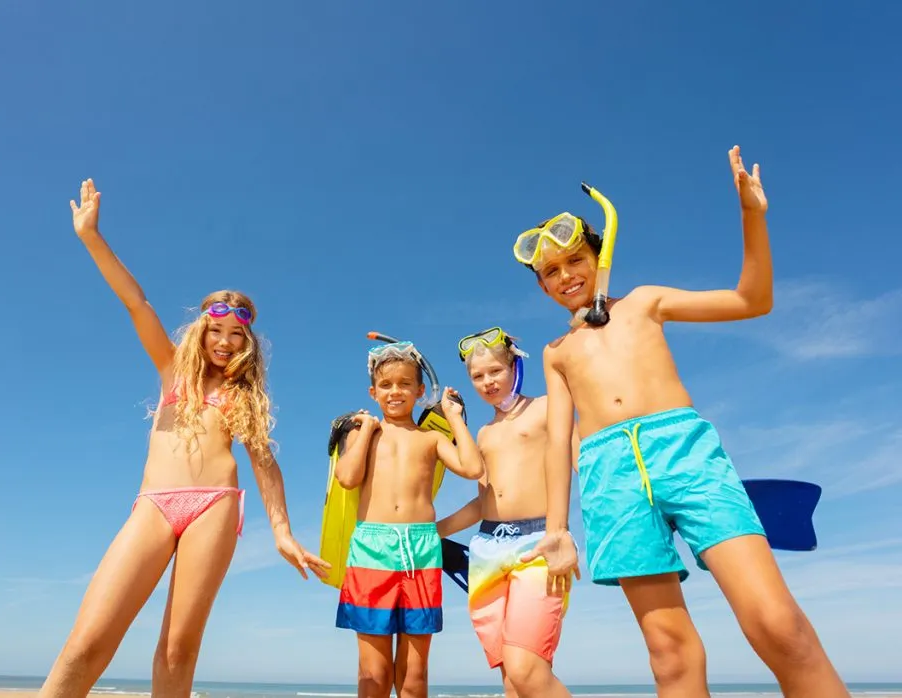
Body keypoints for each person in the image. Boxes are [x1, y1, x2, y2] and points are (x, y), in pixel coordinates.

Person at [516, 146, 849, 697]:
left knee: (777, 625)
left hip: (684, 452)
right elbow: (558, 440)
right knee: (670, 655)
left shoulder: (644, 302)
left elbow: (752, 300)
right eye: (550, 271)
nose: (565, 275)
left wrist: (751, 216)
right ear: (543, 287)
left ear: (600, 257)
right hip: (608, 477)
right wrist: (557, 529)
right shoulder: (556, 352)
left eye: (575, 259)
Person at [38, 179, 330, 698]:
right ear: (202, 332)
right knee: (86, 643)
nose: (224, 342)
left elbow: (265, 465)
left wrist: (283, 533)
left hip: (214, 506)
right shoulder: (175, 374)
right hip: (154, 504)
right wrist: (91, 236)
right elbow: (135, 302)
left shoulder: (244, 399)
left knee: (178, 648)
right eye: (217, 331)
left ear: (247, 343)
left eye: (236, 334)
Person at [334, 341, 485, 698]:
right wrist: (367, 430)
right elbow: (347, 478)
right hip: (372, 549)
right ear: (373, 392)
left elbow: (473, 467)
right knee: (375, 674)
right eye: (386, 385)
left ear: (420, 391)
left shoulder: (432, 438)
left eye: (405, 384)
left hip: (421, 552)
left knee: (415, 677)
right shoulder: (361, 434)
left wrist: (453, 417)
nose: (395, 392)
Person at [436, 328, 576, 698]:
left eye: (495, 371)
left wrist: (565, 533)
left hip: (539, 543)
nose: (487, 382)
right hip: (487, 549)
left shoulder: (548, 407)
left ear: (515, 365)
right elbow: (484, 502)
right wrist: (434, 531)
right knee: (512, 679)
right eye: (477, 376)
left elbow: (582, 463)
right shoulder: (483, 434)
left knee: (525, 668)